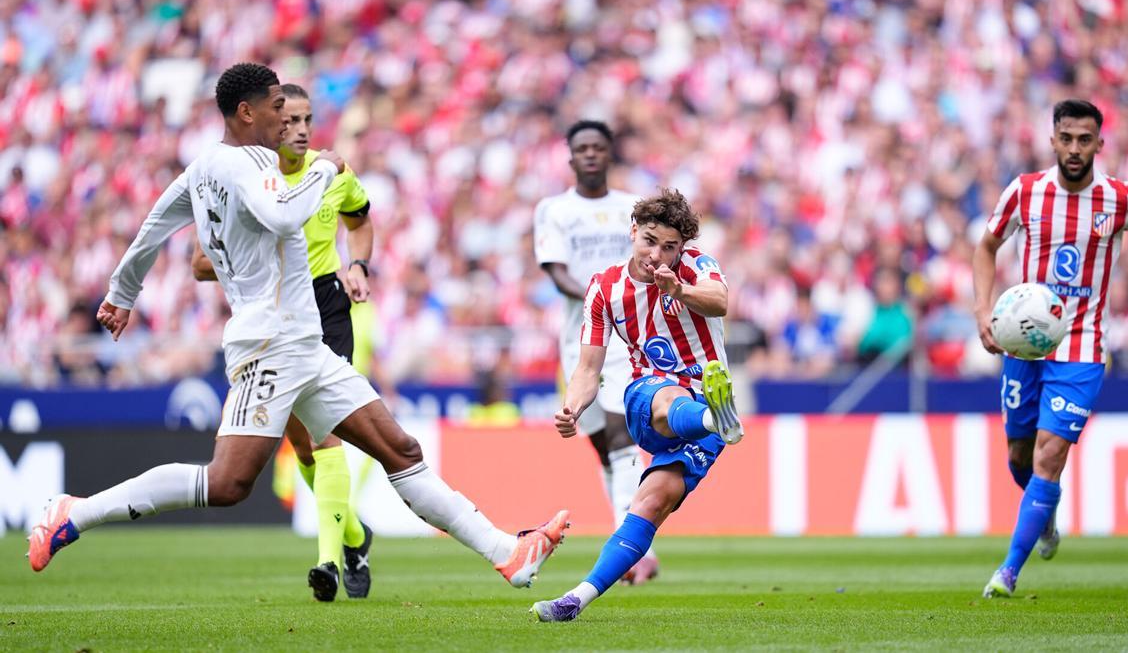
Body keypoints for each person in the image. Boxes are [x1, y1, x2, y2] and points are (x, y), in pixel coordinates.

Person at [27, 63, 569, 596]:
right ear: (247, 113)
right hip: (268, 345)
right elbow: (284, 217)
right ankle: (75, 512)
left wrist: (122, 293)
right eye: (276, 108)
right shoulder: (250, 166)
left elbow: (156, 224)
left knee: (400, 450)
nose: (286, 119)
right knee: (227, 484)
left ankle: (508, 553)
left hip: (304, 343)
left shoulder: (203, 167)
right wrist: (324, 169)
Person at [973, 99, 1128, 598]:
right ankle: (1046, 513)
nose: (1076, 148)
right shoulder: (1025, 191)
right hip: (1024, 347)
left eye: (1086, 140)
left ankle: (1007, 573)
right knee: (1019, 453)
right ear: (1053, 140)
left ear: (1100, 144)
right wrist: (982, 310)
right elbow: (986, 247)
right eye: (1067, 138)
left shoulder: (1123, 200)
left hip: (1082, 349)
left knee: (1050, 455)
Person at [191, 83, 374, 601]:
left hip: (325, 306)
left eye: (306, 120)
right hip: (272, 312)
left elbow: (360, 219)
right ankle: (355, 536)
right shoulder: (243, 179)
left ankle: (329, 563)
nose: (298, 130)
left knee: (325, 434)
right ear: (268, 124)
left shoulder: (333, 173)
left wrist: (358, 264)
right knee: (300, 443)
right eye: (288, 120)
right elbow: (201, 263)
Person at [531, 188, 743, 622]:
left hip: (707, 399)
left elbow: (720, 301)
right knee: (668, 398)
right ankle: (714, 417)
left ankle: (575, 600)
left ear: (683, 246)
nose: (658, 255)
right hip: (650, 392)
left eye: (669, 247)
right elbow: (589, 368)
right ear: (632, 232)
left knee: (650, 503)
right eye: (649, 241)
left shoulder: (696, 265)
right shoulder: (604, 287)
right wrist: (572, 406)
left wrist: (679, 288)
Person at [532, 120, 659, 584]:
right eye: (581, 148)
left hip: (631, 335)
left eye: (598, 147)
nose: (589, 154)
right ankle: (629, 536)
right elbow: (556, 271)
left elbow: (654, 259)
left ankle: (633, 548)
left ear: (609, 155)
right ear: (570, 157)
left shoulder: (633, 208)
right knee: (603, 445)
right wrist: (597, 293)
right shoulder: (554, 210)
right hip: (580, 339)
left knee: (622, 431)